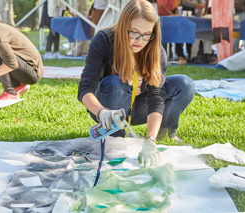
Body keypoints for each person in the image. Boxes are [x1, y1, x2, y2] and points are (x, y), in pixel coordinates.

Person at [78, 0, 195, 167]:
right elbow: (84, 88)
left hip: (140, 107)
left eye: (147, 34)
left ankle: (162, 131)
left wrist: (150, 140)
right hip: (108, 108)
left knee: (185, 84)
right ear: (123, 25)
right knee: (115, 82)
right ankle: (115, 135)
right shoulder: (104, 40)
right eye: (134, 32)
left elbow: (156, 97)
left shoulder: (155, 50)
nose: (140, 40)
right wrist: (102, 112)